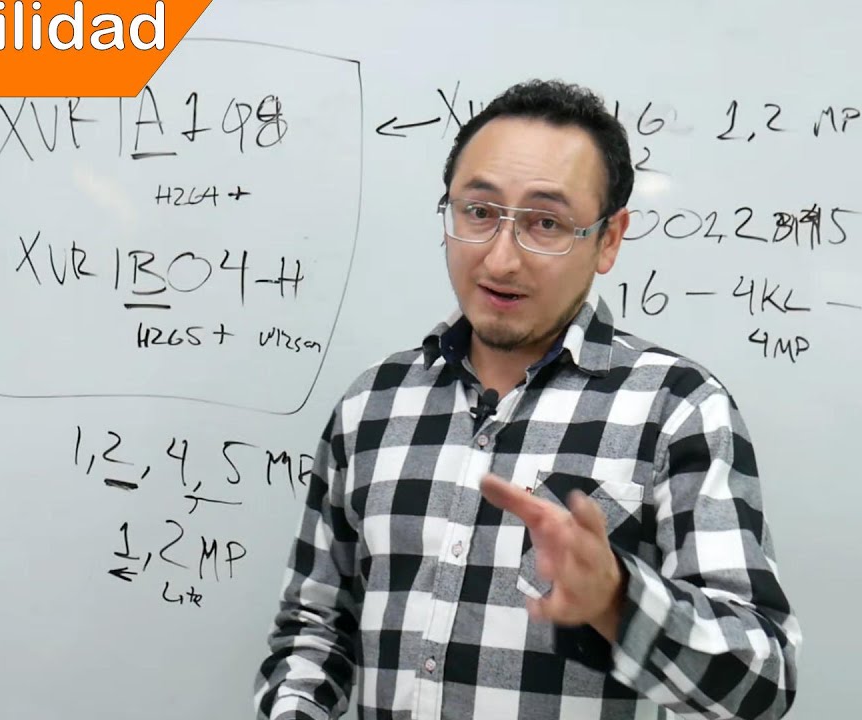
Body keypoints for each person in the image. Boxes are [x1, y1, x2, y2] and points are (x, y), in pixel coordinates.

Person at [252, 79, 802, 720]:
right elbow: (315, 626)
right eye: (478, 212)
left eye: (546, 223)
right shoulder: (373, 404)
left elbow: (763, 683)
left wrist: (618, 602)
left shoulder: (676, 409)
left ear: (609, 239)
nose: (501, 259)